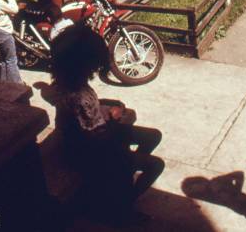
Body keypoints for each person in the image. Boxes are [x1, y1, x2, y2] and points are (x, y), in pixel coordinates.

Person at [50, 24, 164, 220]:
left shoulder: (67, 82)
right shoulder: (78, 95)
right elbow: (98, 137)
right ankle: (122, 204)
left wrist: (106, 108)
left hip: (88, 137)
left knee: (153, 136)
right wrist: (114, 116)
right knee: (155, 165)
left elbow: (88, 114)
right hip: (89, 150)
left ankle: (124, 171)